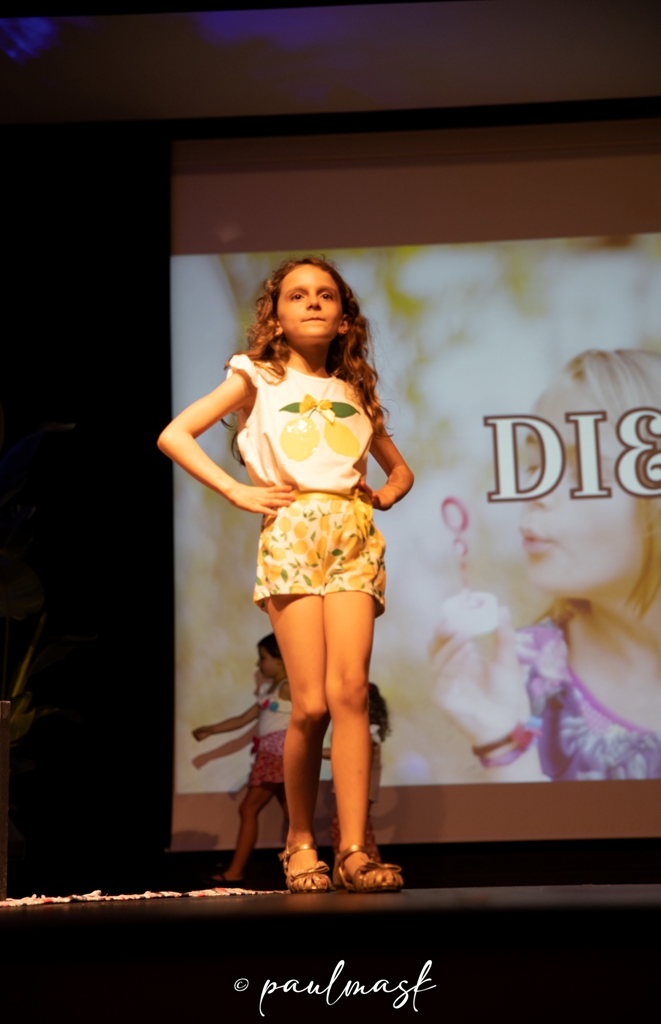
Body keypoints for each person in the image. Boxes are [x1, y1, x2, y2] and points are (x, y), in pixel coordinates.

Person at [159, 256, 413, 892]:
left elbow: (400, 469)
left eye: (326, 294)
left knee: (352, 692)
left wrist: (384, 494)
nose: (313, 302)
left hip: (352, 536)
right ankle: (299, 841)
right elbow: (175, 434)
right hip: (294, 532)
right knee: (311, 703)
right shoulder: (256, 377)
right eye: (297, 295)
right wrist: (236, 490)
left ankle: (352, 849)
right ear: (274, 316)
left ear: (345, 318)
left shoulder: (355, 392)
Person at [434, 349, 661, 782]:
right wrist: (503, 746)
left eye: (584, 470)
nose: (537, 492)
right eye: (536, 466)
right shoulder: (515, 679)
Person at [192, 634, 290, 882]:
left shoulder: (288, 687)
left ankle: (236, 871)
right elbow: (242, 719)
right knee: (294, 817)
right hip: (271, 756)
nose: (258, 664)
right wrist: (211, 730)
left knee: (248, 808)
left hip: (278, 756)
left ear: (280, 660)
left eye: (263, 658)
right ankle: (307, 866)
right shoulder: (270, 691)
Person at [324, 682, 391, 861]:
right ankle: (355, 866)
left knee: (348, 829)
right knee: (352, 829)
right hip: (353, 787)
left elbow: (347, 753)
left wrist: (312, 751)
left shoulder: (368, 732)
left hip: (360, 788)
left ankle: (366, 865)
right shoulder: (355, 728)